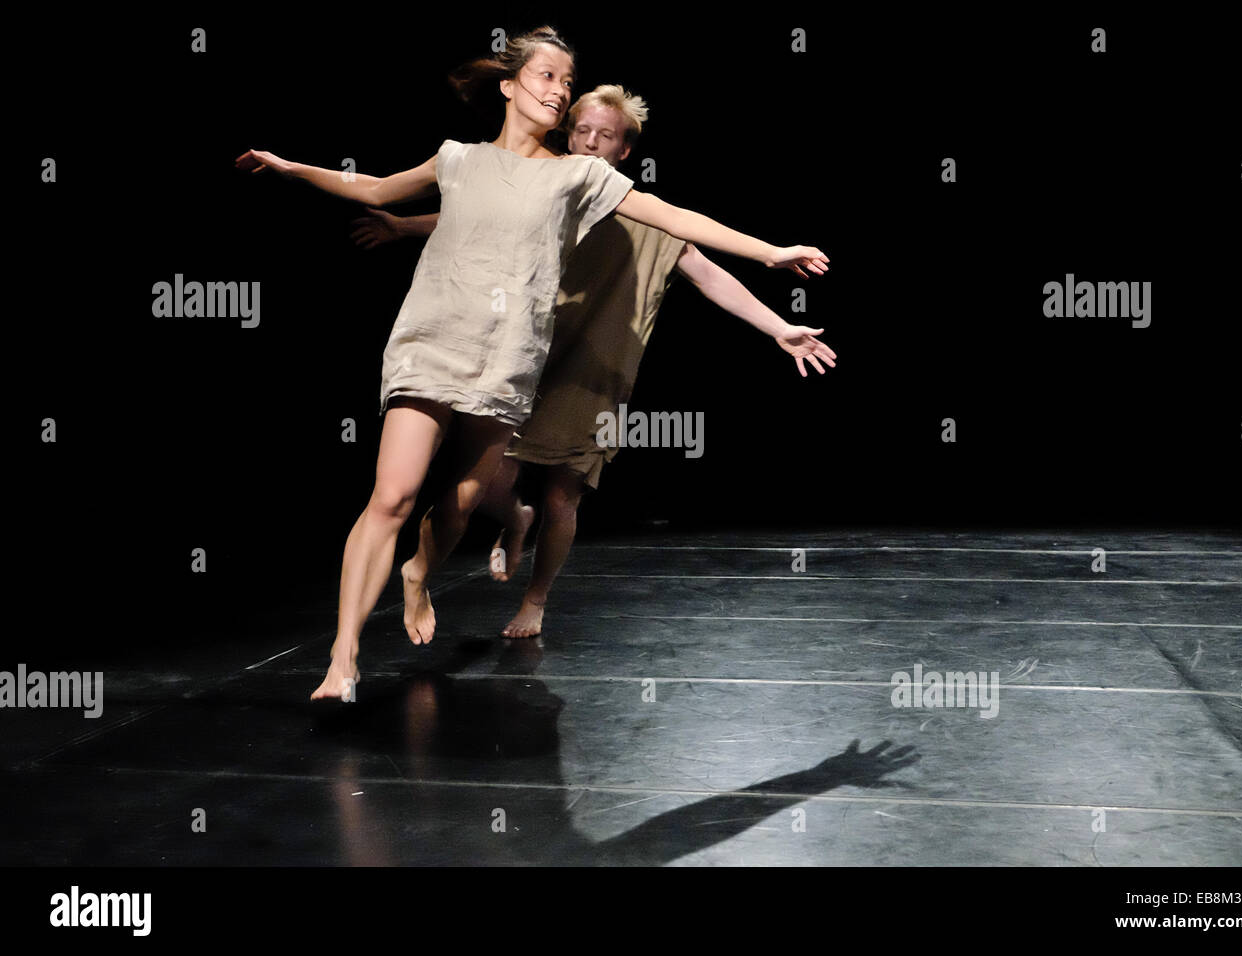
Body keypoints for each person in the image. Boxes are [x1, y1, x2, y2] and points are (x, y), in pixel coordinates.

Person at [236, 26, 828, 699]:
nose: (560, 91)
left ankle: (420, 575)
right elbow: (375, 190)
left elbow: (673, 215)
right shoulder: (457, 158)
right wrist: (290, 168)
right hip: (431, 342)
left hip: (510, 361)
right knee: (393, 494)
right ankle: (343, 659)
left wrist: (771, 253)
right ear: (510, 86)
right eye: (548, 77)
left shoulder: (579, 175)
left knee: (461, 502)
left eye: (566, 81)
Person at [351, 84, 837, 640]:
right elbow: (471, 216)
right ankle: (514, 519)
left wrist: (781, 327)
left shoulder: (645, 215)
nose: (589, 143)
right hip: (522, 354)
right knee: (485, 481)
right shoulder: (550, 183)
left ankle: (535, 600)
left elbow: (710, 276)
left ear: (624, 150)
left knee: (562, 492)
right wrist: (402, 227)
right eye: (581, 131)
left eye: (605, 136)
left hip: (595, 372)